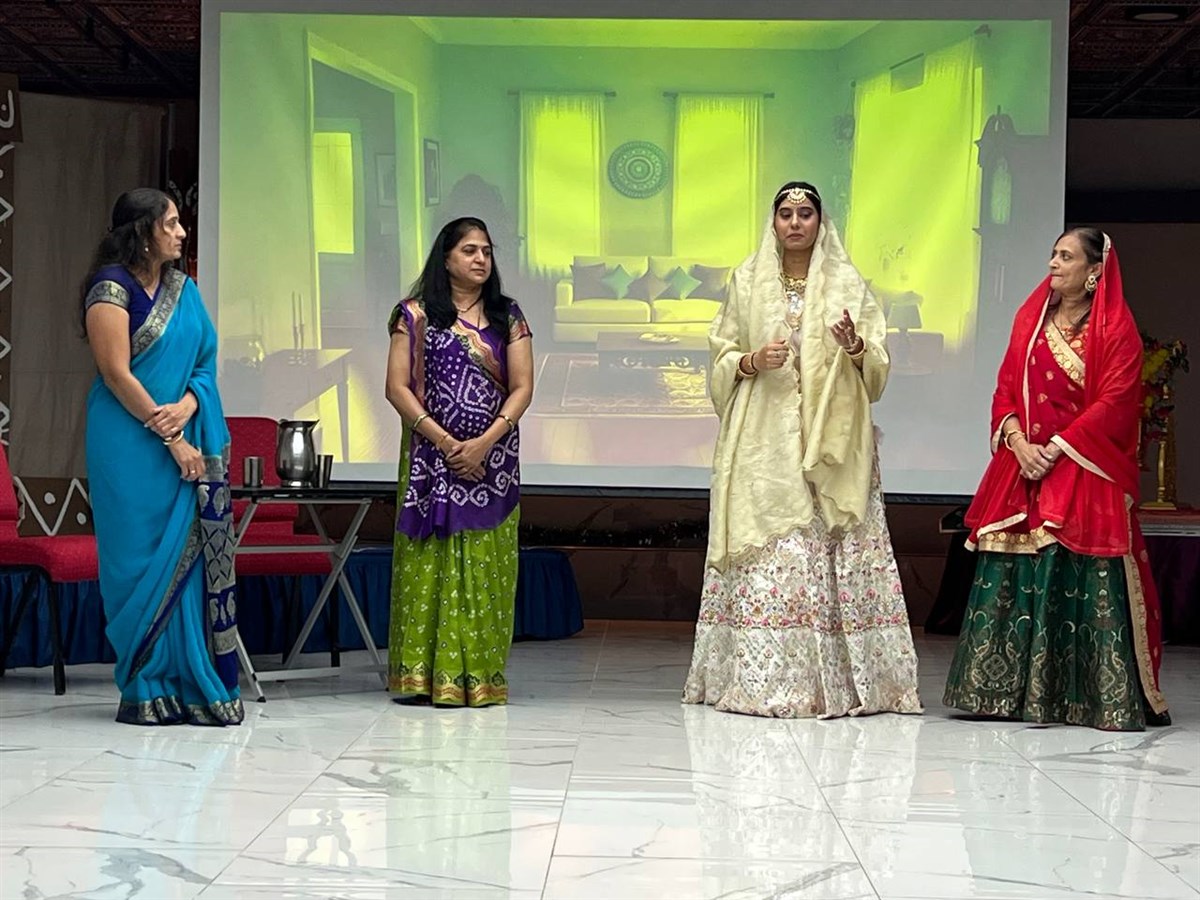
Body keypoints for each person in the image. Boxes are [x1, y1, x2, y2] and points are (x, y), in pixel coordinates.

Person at [683, 181, 922, 718]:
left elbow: (877, 366)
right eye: (786, 214)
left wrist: (854, 346)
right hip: (763, 440)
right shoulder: (746, 280)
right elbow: (721, 355)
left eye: (806, 213)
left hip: (830, 441)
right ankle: (764, 681)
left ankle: (837, 682)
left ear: (820, 222)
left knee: (827, 552)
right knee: (774, 554)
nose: (795, 223)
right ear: (773, 223)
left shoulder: (847, 283)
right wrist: (751, 361)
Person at [943, 228, 1170, 730]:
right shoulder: (1031, 320)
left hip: (1083, 466)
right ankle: (998, 693)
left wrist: (1057, 447)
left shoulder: (1116, 331)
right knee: (1010, 569)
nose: (1053, 263)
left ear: (1094, 272)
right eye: (1052, 254)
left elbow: (1115, 402)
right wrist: (1019, 442)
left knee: (1078, 572)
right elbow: (1005, 389)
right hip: (1022, 465)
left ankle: (1082, 699)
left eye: (1066, 256)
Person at [83, 188, 241, 726]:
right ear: (143, 232)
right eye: (170, 223)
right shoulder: (110, 289)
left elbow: (205, 362)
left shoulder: (184, 289)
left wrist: (190, 405)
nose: (181, 231)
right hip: (128, 442)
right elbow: (116, 375)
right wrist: (172, 437)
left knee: (186, 561)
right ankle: (145, 684)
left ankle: (193, 683)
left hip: (183, 429)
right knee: (138, 559)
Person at [385, 217, 534, 707]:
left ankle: (479, 676)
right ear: (445, 258)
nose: (481, 259)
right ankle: (423, 677)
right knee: (429, 562)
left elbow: (523, 388)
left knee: (486, 567)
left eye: (486, 251)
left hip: (492, 463)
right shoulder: (414, 315)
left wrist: (483, 444)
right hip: (431, 460)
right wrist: (449, 443)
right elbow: (396, 388)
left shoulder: (508, 316)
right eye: (470, 250)